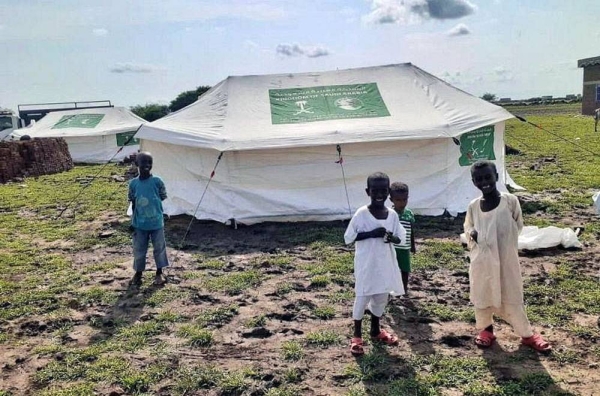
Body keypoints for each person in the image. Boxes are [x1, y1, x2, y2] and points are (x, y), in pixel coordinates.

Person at [464, 160, 551, 352]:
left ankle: (527, 335)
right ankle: (486, 331)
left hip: (506, 259)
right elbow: (468, 227)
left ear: (496, 176)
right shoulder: (473, 206)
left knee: (511, 294)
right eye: (479, 179)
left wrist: (499, 239)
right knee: (482, 294)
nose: (484, 182)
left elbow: (517, 225)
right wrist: (473, 234)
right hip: (482, 261)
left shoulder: (510, 201)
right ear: (473, 182)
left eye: (488, 177)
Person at [344, 172, 406, 356]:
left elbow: (400, 237)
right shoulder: (362, 214)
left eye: (383, 190)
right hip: (366, 264)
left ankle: (375, 330)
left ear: (389, 192)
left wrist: (390, 237)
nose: (379, 194)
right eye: (375, 190)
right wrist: (373, 233)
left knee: (381, 296)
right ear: (367, 191)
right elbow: (349, 237)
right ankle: (356, 335)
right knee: (362, 296)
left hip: (385, 263)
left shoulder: (392, 215)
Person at [128, 152, 169, 286]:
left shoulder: (157, 181)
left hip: (156, 222)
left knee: (159, 248)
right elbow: (133, 203)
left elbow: (162, 196)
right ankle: (138, 273)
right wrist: (133, 222)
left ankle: (159, 272)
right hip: (139, 224)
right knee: (139, 249)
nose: (147, 165)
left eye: (149, 162)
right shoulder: (133, 184)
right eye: (143, 162)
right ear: (136, 164)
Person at [389, 182, 416, 294]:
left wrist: (412, 245)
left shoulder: (409, 213)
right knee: (391, 269)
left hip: (404, 248)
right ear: (391, 200)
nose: (402, 203)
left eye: (404, 200)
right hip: (392, 248)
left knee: (405, 269)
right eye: (398, 200)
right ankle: (390, 290)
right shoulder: (389, 213)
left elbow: (411, 230)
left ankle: (404, 289)